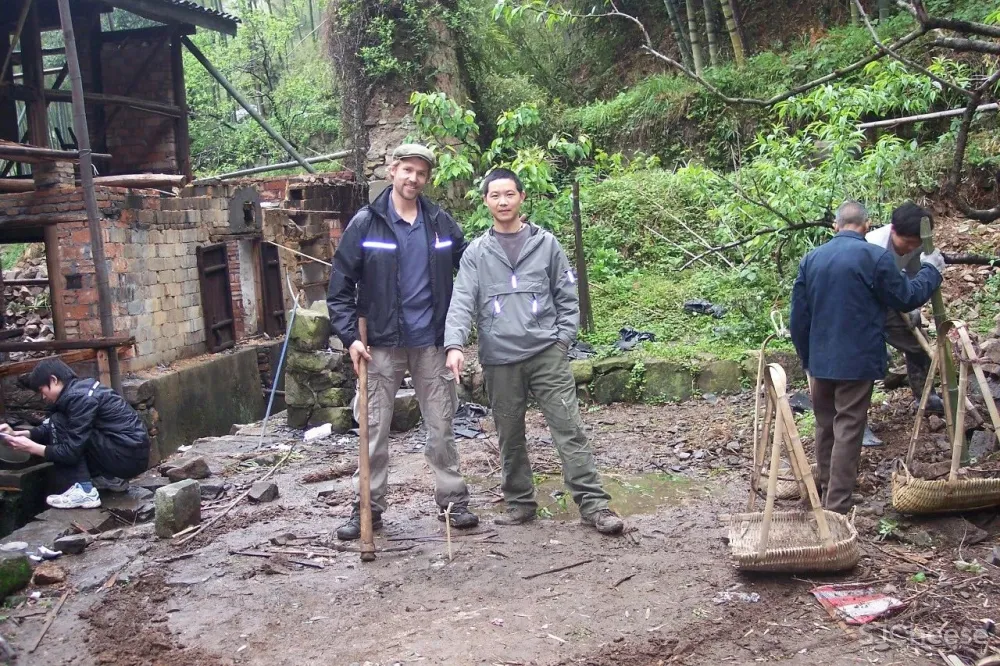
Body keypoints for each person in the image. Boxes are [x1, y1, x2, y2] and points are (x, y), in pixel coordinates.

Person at [444, 169, 624, 536]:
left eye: (510, 194)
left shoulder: (547, 244)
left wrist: (562, 341)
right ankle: (520, 503)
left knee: (568, 429)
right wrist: (454, 344)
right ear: (486, 202)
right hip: (500, 358)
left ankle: (594, 505)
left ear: (522, 198)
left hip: (546, 354)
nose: (503, 201)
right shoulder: (477, 252)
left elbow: (567, 296)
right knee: (509, 434)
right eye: (495, 196)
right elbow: (462, 299)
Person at [327, 143, 479, 540]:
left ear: (427, 179)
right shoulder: (366, 223)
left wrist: (459, 333)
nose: (413, 178)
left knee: (441, 425)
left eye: (421, 173)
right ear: (393, 170)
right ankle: (368, 508)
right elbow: (340, 288)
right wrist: (349, 338)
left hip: (431, 341)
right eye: (407, 170)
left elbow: (471, 270)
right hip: (379, 344)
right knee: (372, 429)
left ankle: (453, 501)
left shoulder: (440, 223)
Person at [790, 200, 944, 514]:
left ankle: (824, 490)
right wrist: (931, 270)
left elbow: (798, 319)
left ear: (835, 225)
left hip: (820, 360)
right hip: (856, 361)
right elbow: (906, 298)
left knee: (825, 425)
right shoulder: (876, 257)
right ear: (866, 224)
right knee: (848, 427)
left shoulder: (811, 259)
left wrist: (807, 358)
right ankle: (837, 505)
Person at [1, 358, 150, 509]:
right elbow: (53, 428)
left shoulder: (79, 399)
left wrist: (31, 448)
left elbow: (70, 451)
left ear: (53, 380)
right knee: (61, 423)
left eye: (41, 391)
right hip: (129, 454)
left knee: (60, 422)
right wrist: (18, 434)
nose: (43, 397)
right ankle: (107, 479)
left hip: (127, 456)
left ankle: (84, 490)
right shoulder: (78, 392)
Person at [866, 201, 944, 413]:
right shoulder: (874, 246)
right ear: (893, 230)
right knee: (868, 359)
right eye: (907, 242)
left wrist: (911, 307)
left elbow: (912, 273)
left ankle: (926, 398)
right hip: (864, 304)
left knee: (918, 345)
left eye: (915, 244)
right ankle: (857, 421)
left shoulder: (918, 243)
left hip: (892, 296)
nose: (910, 248)